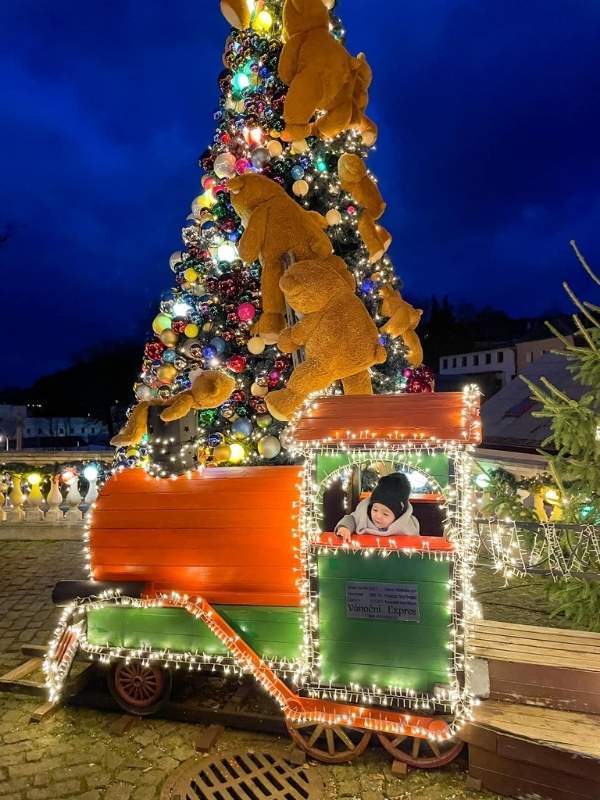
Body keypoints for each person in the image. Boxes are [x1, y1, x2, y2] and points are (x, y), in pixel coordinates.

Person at [335, 472, 420, 542]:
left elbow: (418, 545)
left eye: (385, 514)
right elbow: (352, 518)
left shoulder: (407, 527)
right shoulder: (364, 514)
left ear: (398, 515)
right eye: (375, 510)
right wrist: (345, 527)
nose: (378, 516)